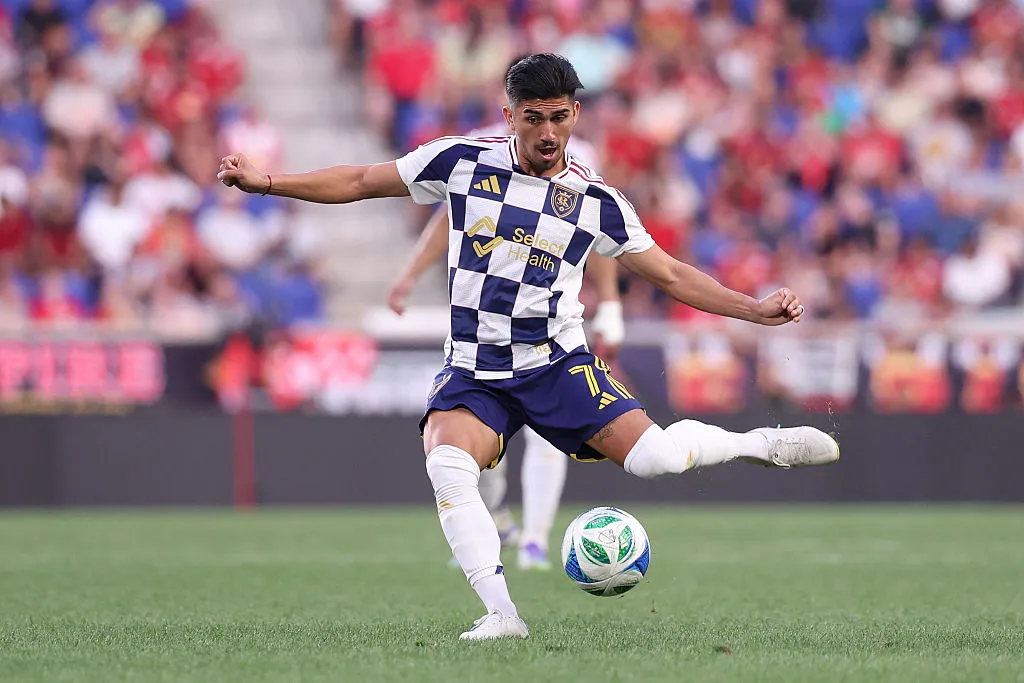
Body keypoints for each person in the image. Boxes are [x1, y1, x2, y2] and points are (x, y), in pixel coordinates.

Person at [218, 53, 839, 642]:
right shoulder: (461, 162)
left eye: (559, 117)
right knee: (447, 465)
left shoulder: (596, 203)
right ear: (509, 114)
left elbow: (672, 275)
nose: (548, 132)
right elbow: (359, 180)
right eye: (534, 117)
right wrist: (268, 183)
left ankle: (760, 445)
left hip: (555, 365)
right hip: (475, 368)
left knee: (656, 460)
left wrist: (753, 309)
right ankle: (502, 614)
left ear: (576, 113)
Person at [387, 120, 623, 571]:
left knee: (546, 431)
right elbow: (451, 215)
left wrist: (611, 305)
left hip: (548, 321)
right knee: (478, 429)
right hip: (488, 320)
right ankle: (496, 520)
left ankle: (535, 539)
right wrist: (411, 274)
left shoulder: (578, 155)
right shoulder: (481, 149)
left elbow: (602, 233)